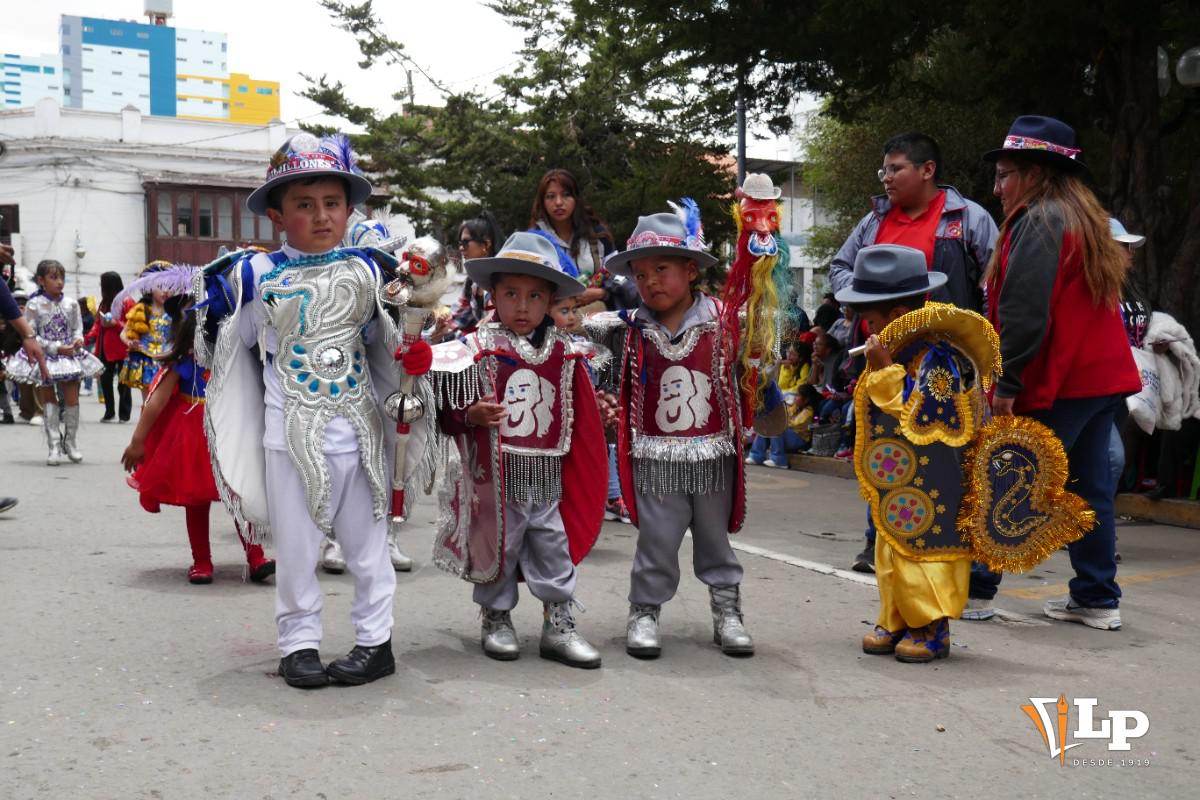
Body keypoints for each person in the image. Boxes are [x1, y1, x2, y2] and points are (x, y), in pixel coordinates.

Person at [195, 132, 430, 687]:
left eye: (332, 203)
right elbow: (223, 353)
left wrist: (412, 355)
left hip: (361, 430)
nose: (321, 216)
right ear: (277, 215)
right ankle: (298, 643)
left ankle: (377, 643)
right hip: (288, 432)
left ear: (350, 208)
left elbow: (385, 347)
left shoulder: (370, 272)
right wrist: (213, 319)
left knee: (369, 550)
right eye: (305, 205)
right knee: (297, 551)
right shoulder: (252, 276)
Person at [982, 115, 1141, 631]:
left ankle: (975, 589)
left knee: (1011, 481)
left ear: (1032, 173)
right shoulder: (1084, 218)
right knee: (1090, 489)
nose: (998, 187)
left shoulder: (1042, 219)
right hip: (1101, 380)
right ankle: (1097, 597)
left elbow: (1025, 311)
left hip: (1061, 381)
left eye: (1005, 174)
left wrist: (1007, 382)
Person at [429, 232, 607, 668]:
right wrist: (469, 417)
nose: (522, 306)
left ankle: (558, 622)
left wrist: (602, 416)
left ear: (550, 301)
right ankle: (496, 616)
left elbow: (581, 415)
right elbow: (445, 411)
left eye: (534, 296)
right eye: (511, 294)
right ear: (494, 296)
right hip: (497, 477)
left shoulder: (566, 353)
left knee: (552, 546)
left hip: (547, 477)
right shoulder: (476, 348)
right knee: (500, 547)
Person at [831, 132, 999, 575]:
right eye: (884, 169)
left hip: (944, 361)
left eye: (896, 168)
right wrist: (856, 302)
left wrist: (986, 349)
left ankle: (949, 555)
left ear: (927, 170)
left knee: (943, 452)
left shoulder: (968, 219)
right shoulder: (872, 222)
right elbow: (839, 266)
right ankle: (879, 541)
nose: (886, 178)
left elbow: (993, 285)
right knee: (882, 446)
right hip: (881, 353)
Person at [594, 205, 754, 658]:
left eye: (661, 270)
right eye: (641, 274)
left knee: (714, 537)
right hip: (654, 457)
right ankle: (644, 609)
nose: (650, 282)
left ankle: (728, 611)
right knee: (657, 539)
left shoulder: (728, 320)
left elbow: (752, 375)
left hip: (714, 455)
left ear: (690, 269)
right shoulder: (624, 329)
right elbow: (602, 381)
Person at [838, 244, 995, 662]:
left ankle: (930, 625)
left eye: (871, 317)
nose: (866, 327)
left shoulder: (936, 355)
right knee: (890, 550)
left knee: (923, 553)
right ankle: (896, 617)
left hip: (933, 481)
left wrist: (885, 370)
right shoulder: (900, 349)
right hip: (900, 480)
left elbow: (927, 416)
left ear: (896, 315)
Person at [120, 283, 275, 585]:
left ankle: (256, 557)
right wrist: (138, 442)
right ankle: (201, 561)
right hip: (193, 438)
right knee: (196, 501)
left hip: (229, 432)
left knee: (240, 496)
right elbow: (156, 403)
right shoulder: (184, 363)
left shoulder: (236, 361)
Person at [3, 259, 103, 465]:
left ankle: (71, 442)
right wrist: (55, 348)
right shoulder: (33, 304)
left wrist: (78, 340)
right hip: (46, 358)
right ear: (41, 280)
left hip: (69, 358)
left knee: (73, 400)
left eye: (62, 278)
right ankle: (54, 445)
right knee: (49, 401)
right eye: (53, 277)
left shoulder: (72, 304)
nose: (59, 282)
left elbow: (77, 329)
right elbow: (30, 335)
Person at [529, 168, 639, 311]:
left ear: (576, 198)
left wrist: (601, 293)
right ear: (542, 201)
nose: (558, 202)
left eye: (566, 195)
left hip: (598, 315)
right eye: (550, 196)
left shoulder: (597, 234)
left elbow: (621, 277)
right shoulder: (536, 240)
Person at [120, 266, 172, 401]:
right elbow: (123, 334)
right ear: (149, 287)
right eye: (160, 286)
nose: (165, 291)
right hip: (146, 360)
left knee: (165, 401)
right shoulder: (141, 309)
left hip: (167, 360)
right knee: (148, 400)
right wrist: (131, 342)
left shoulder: (175, 312)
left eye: (169, 286)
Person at [90, 271, 134, 423]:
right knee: (105, 381)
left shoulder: (127, 302)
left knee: (124, 383)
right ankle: (109, 412)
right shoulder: (104, 303)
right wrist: (88, 336)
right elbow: (97, 324)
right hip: (105, 348)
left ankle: (124, 414)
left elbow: (133, 325)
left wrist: (116, 324)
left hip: (123, 348)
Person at [449, 210, 503, 335]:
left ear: (486, 244)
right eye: (460, 243)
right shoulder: (472, 280)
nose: (461, 248)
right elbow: (459, 316)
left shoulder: (504, 278)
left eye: (466, 242)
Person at [746, 382, 820, 467]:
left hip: (799, 439)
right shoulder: (795, 407)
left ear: (806, 400)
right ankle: (756, 456)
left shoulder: (808, 412)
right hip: (788, 435)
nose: (795, 398)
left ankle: (779, 460)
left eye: (798, 396)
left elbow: (793, 424)